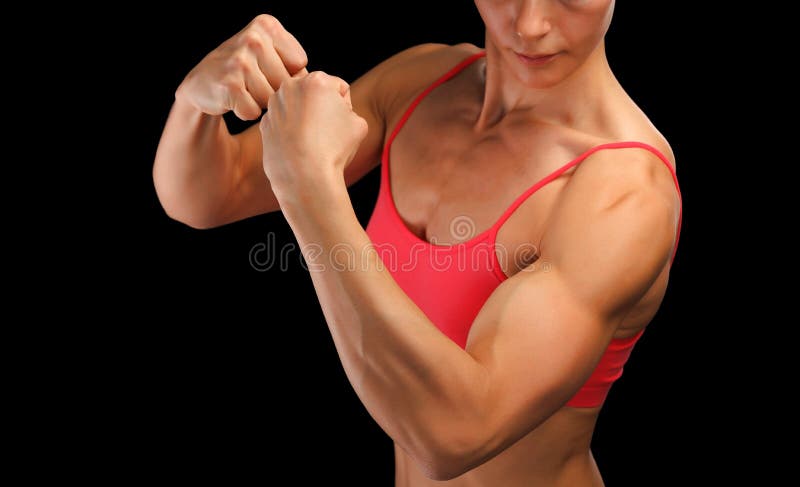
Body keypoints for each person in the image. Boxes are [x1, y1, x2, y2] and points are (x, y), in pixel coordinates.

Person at [153, 1, 682, 484]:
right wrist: (197, 96)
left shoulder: (625, 191)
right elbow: (205, 195)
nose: (529, 25)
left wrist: (310, 189)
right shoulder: (423, 82)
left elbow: (457, 434)